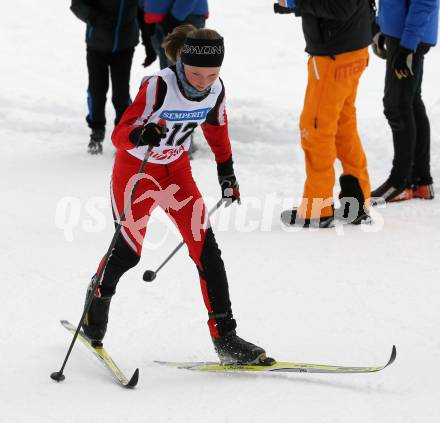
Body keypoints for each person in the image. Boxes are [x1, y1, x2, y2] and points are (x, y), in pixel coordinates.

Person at [82, 25, 273, 365]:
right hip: (137, 173)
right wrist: (142, 132)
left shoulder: (216, 91)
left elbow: (217, 130)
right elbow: (120, 135)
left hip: (176, 173)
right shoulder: (158, 87)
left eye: (212, 74)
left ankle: (225, 337)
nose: (203, 81)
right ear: (182, 63)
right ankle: (95, 308)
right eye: (196, 73)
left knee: (206, 250)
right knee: (128, 252)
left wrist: (226, 173)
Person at [276, 0, 373, 228]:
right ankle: (357, 200)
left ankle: (316, 209)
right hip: (351, 48)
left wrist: (296, 2)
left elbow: (341, 7)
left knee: (316, 129)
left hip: (335, 56)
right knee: (342, 126)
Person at [371, 0, 438, 202]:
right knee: (411, 103)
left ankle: (401, 182)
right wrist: (381, 25)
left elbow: (425, 2)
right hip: (401, 34)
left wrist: (407, 45)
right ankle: (421, 181)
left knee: (397, 106)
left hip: (408, 39)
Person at [70, 0, 140, 155]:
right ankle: (96, 133)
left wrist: (149, 42)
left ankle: (123, 135)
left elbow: (141, 8)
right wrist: (96, 18)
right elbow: (77, 5)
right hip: (97, 45)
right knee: (97, 91)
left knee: (121, 94)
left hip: (125, 45)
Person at [142, 0, 209, 69]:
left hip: (185, 15)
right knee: (168, 71)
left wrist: (176, 16)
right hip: (156, 18)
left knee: (181, 69)